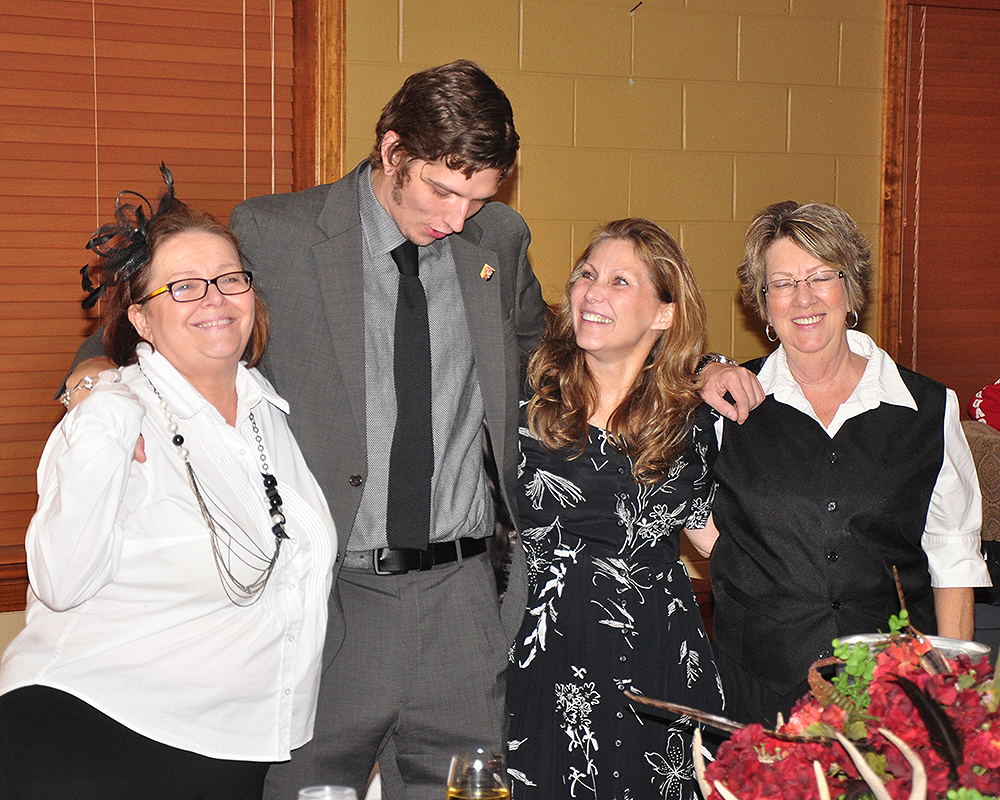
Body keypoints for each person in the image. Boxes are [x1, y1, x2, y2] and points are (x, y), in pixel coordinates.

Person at [65, 63, 760, 800]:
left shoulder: (498, 239)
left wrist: (699, 363)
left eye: (478, 196)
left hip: (464, 604)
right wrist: (92, 372)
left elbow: (557, 347)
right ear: (392, 151)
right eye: (443, 191)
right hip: (332, 601)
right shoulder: (279, 233)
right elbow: (181, 312)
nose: (458, 217)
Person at [0, 167, 337, 799]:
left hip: (231, 754)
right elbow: (60, 581)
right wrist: (101, 415)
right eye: (182, 287)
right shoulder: (113, 412)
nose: (214, 299)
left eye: (230, 279)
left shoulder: (274, 417)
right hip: (93, 739)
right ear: (143, 321)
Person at [704, 200, 991, 726]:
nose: (803, 298)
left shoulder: (928, 408)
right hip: (757, 689)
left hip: (891, 691)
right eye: (783, 283)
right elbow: (677, 504)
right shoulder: (725, 405)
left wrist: (953, 695)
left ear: (851, 289)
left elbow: (952, 558)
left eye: (820, 276)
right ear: (762, 303)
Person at [506, 219, 724, 800]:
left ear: (664, 314)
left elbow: (710, 537)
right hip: (537, 651)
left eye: (620, 281)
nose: (593, 292)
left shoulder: (694, 420)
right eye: (586, 274)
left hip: (653, 655)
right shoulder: (523, 398)